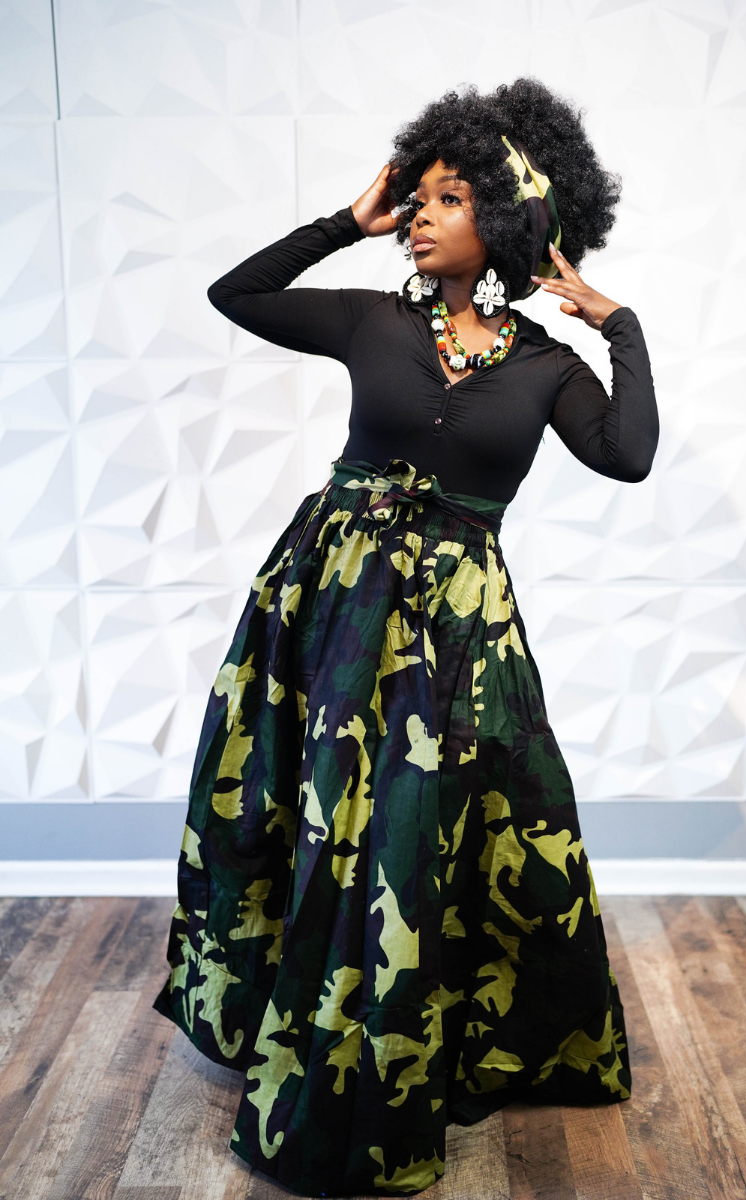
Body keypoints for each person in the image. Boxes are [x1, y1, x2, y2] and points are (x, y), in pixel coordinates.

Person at [152, 77, 659, 1197]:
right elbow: (235, 292)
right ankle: (301, 1027)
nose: (421, 214)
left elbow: (627, 455)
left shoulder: (546, 366)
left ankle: (420, 1040)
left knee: (431, 831)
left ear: (509, 220)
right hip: (330, 607)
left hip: (459, 631)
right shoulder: (370, 320)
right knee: (310, 812)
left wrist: (615, 326)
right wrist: (348, 220)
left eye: (448, 197)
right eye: (417, 196)